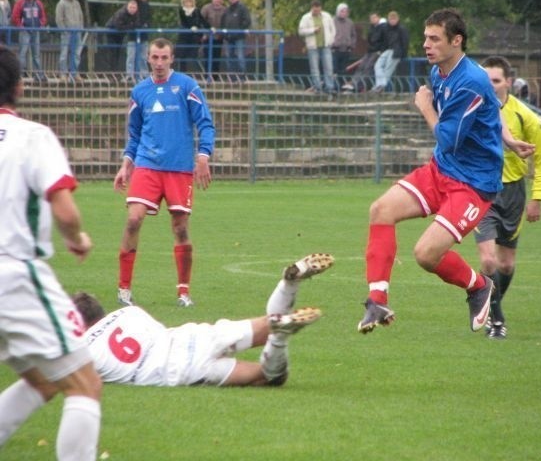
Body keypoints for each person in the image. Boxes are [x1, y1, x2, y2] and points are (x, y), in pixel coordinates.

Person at [357, 8, 534, 335]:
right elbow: (493, 106)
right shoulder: (442, 72)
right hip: (442, 170)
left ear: (457, 40)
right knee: (380, 210)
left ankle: (479, 285)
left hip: (472, 185)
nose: (426, 44)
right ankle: (377, 300)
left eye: (434, 39)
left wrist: (424, 107)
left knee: (426, 254)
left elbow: (449, 140)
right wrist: (508, 138)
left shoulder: (469, 81)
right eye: (425, 37)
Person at [0, 45, 102, 459]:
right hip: (15, 274)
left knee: (43, 380)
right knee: (84, 384)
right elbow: (64, 207)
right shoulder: (32, 136)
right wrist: (76, 238)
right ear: (20, 87)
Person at [74, 253, 334, 387]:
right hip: (191, 336)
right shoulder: (129, 313)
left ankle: (280, 335)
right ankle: (288, 285)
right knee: (268, 322)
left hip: (181, 370)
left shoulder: (84, 354)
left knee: (268, 377)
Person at [113, 38, 216, 308]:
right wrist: (126, 164)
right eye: (155, 58)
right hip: (147, 165)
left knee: (180, 227)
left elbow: (205, 123)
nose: (159, 63)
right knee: (133, 219)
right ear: (147, 58)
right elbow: (134, 135)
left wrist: (203, 156)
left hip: (179, 168)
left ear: (172, 59)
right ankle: (124, 290)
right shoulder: (140, 92)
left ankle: (183, 292)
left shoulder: (187, 86)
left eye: (164, 58)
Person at [474, 56, 541, 339]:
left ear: (508, 82)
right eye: (487, 80)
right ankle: (497, 322)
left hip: (514, 193)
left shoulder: (525, 116)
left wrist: (538, 197)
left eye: (496, 80)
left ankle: (490, 305)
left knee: (506, 264)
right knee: (488, 261)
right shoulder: (474, 110)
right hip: (481, 192)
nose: (491, 85)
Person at [341, 12, 386, 93]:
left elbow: (383, 41)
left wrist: (380, 50)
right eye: (371, 18)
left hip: (377, 51)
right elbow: (370, 40)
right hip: (370, 51)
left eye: (374, 18)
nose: (372, 20)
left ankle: (358, 85)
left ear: (378, 18)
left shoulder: (383, 28)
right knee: (361, 67)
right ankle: (353, 82)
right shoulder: (372, 29)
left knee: (368, 68)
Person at [298, 0, 336, 94]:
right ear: (312, 8)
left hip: (326, 45)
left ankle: (329, 87)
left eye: (318, 10)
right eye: (315, 10)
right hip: (313, 46)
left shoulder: (327, 16)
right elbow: (301, 31)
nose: (317, 12)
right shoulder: (306, 18)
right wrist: (312, 30)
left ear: (321, 8)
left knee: (329, 67)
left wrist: (331, 40)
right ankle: (318, 87)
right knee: (314, 68)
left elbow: (333, 29)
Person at [11, 0, 47, 81]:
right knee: (22, 53)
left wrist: (41, 24)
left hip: (36, 31)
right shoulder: (20, 2)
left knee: (36, 54)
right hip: (25, 31)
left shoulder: (38, 3)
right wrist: (20, 26)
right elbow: (15, 16)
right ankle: (20, 74)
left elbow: (43, 16)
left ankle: (39, 74)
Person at [370, 11, 409, 93]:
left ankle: (380, 86)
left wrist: (403, 54)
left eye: (394, 19)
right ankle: (380, 84)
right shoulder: (386, 28)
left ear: (397, 19)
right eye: (391, 19)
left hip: (397, 52)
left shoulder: (401, 29)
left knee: (388, 69)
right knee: (377, 65)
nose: (392, 21)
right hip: (388, 50)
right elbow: (382, 40)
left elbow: (405, 42)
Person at [106, 0, 142, 82]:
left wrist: (129, 26)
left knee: (117, 53)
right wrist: (130, 26)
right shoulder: (121, 13)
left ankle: (115, 74)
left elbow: (137, 25)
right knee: (112, 54)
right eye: (131, 7)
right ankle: (112, 75)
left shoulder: (136, 14)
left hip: (120, 35)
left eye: (134, 7)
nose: (132, 9)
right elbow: (118, 25)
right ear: (127, 7)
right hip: (111, 33)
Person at [55, 0, 84, 82]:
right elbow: (59, 19)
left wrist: (80, 28)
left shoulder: (77, 3)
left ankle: (75, 73)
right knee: (64, 53)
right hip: (67, 33)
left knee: (76, 54)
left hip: (77, 32)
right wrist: (63, 31)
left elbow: (81, 16)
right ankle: (63, 73)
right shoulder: (61, 4)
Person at [220, 0, 251, 81]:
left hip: (239, 37)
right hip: (229, 38)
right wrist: (224, 33)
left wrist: (238, 31)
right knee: (229, 57)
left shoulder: (242, 8)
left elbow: (247, 21)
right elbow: (223, 22)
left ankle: (242, 77)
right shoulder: (227, 9)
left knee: (240, 56)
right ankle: (231, 77)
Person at [176, 0, 205, 73]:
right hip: (184, 37)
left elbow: (202, 21)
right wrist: (191, 27)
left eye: (189, 1)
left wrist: (210, 28)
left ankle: (201, 73)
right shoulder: (182, 10)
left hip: (194, 37)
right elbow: (184, 22)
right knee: (182, 56)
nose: (188, 4)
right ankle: (182, 73)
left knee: (193, 56)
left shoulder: (197, 10)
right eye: (186, 2)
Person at [200, 0, 226, 79]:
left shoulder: (224, 10)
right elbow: (201, 21)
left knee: (217, 57)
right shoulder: (206, 8)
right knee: (207, 57)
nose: (218, 0)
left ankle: (215, 77)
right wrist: (204, 33)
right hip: (208, 37)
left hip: (219, 38)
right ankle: (207, 76)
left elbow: (226, 23)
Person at [332, 2, 356, 88]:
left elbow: (353, 35)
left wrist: (351, 45)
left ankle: (341, 86)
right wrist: (332, 43)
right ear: (338, 11)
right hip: (335, 49)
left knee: (343, 70)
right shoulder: (332, 21)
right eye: (342, 11)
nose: (344, 13)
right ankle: (334, 86)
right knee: (334, 69)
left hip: (346, 50)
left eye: (346, 11)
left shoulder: (350, 22)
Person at [132, 0, 151, 78]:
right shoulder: (130, 4)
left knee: (144, 56)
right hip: (132, 35)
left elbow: (148, 17)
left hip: (143, 34)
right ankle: (130, 75)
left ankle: (144, 73)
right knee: (131, 56)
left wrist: (146, 25)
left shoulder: (145, 5)